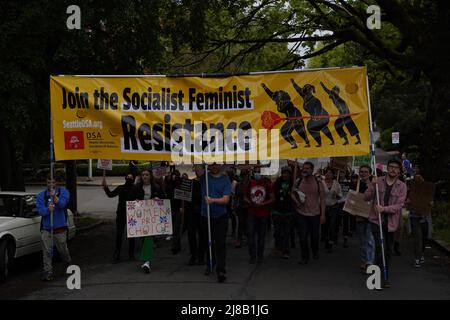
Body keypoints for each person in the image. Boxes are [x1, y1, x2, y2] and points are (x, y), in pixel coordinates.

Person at [364, 159, 407, 288]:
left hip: (391, 223)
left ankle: (385, 274)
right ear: (387, 168)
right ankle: (376, 279)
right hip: (376, 221)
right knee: (379, 249)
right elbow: (366, 197)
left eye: (396, 167)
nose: (393, 169)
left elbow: (399, 205)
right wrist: (371, 185)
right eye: (391, 167)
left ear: (399, 170)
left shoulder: (402, 186)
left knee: (388, 251)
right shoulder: (378, 181)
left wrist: (384, 209)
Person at [200, 163, 231, 283]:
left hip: (220, 217)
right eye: (211, 165)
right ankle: (210, 264)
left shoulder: (225, 180)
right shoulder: (204, 178)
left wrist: (212, 200)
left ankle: (221, 269)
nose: (214, 167)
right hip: (206, 216)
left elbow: (226, 199)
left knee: (220, 243)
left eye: (216, 165)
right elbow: (197, 167)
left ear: (220, 166)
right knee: (208, 242)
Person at [36, 175, 72, 281]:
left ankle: (67, 261)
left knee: (62, 250)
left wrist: (55, 198)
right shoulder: (41, 195)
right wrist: (48, 209)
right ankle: (48, 272)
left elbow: (62, 204)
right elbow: (40, 211)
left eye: (52, 182)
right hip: (46, 228)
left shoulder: (64, 192)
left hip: (60, 227)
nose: (50, 185)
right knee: (47, 251)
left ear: (56, 183)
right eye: (48, 182)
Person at [292, 162, 326, 264]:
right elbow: (292, 193)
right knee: (302, 237)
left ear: (312, 170)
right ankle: (304, 257)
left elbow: (323, 198)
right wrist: (297, 201)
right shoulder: (298, 181)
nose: (304, 170)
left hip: (315, 214)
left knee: (314, 236)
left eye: (307, 168)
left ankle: (315, 250)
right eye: (303, 168)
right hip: (301, 213)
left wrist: (323, 214)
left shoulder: (318, 182)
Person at [132, 169, 165, 274]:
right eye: (143, 175)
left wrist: (157, 198)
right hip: (140, 215)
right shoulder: (137, 187)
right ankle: (145, 260)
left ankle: (147, 262)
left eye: (147, 174)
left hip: (152, 216)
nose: (145, 176)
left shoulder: (156, 187)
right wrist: (135, 200)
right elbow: (130, 199)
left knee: (149, 237)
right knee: (142, 237)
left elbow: (164, 198)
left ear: (150, 176)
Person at [261, 83, 310, 148]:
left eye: (277, 98)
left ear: (282, 98)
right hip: (290, 118)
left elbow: (292, 112)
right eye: (276, 99)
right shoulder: (277, 99)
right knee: (283, 131)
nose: (276, 100)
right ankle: (293, 143)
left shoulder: (288, 103)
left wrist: (294, 119)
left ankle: (307, 142)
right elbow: (270, 94)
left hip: (295, 115)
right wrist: (265, 87)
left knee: (299, 129)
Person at [102, 173, 136, 263]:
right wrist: (105, 187)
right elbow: (110, 194)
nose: (129, 178)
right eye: (127, 177)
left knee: (132, 235)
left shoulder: (136, 188)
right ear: (125, 178)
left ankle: (131, 254)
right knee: (119, 233)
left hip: (132, 214)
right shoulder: (121, 188)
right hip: (121, 214)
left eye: (131, 177)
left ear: (133, 179)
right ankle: (116, 254)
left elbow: (141, 198)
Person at [291, 79, 335, 147]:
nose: (307, 93)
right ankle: (321, 142)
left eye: (309, 91)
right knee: (312, 127)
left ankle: (331, 140)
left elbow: (319, 109)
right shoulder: (305, 97)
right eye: (306, 92)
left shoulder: (315, 100)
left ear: (310, 91)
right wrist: (293, 83)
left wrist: (317, 117)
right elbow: (298, 89)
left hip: (322, 115)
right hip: (314, 117)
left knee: (317, 127)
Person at [244, 166, 275, 264]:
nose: (257, 174)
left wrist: (263, 204)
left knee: (261, 236)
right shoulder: (250, 183)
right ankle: (252, 256)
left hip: (263, 213)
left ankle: (260, 255)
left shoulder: (267, 184)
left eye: (259, 172)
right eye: (256, 172)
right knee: (250, 235)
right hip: (251, 213)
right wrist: (250, 202)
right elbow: (244, 196)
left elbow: (272, 198)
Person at [408, 166, 433, 268]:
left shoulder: (428, 190)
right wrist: (408, 202)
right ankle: (417, 258)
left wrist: (431, 204)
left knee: (424, 237)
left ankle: (421, 254)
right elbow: (406, 203)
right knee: (417, 238)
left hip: (425, 217)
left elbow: (431, 203)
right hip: (414, 216)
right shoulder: (410, 190)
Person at [353, 165, 375, 271]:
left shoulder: (374, 185)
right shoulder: (356, 185)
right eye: (361, 172)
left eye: (366, 172)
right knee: (362, 241)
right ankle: (363, 260)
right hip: (360, 216)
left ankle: (369, 262)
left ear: (370, 173)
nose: (363, 173)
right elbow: (351, 199)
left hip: (371, 217)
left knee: (370, 240)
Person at [185, 165, 205, 265]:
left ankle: (201, 256)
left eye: (200, 169)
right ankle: (193, 255)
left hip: (202, 212)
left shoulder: (206, 183)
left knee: (202, 235)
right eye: (197, 169)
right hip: (192, 212)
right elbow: (185, 197)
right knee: (191, 235)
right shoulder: (190, 182)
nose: (198, 171)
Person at [272, 166, 293, 258]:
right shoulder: (277, 183)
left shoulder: (293, 184)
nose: (285, 174)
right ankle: (278, 247)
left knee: (286, 233)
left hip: (288, 211)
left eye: (287, 173)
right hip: (277, 211)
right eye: (284, 173)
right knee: (277, 231)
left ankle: (286, 251)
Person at [321, 167, 342, 253]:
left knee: (332, 225)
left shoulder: (336, 184)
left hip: (334, 206)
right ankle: (325, 239)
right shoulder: (321, 183)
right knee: (324, 225)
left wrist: (336, 195)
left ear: (333, 174)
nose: (328, 174)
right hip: (324, 207)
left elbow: (340, 196)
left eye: (330, 173)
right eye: (327, 173)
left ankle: (330, 242)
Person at [165, 169, 183, 254]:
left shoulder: (179, 184)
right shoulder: (170, 185)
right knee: (175, 227)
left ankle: (175, 245)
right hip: (172, 207)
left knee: (176, 227)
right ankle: (177, 244)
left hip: (177, 208)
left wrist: (181, 206)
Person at [234, 169, 250, 248]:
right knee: (240, 223)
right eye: (243, 176)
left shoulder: (250, 184)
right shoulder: (238, 185)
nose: (245, 177)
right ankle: (239, 239)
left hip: (249, 207)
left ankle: (248, 237)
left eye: (246, 176)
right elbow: (236, 196)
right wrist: (234, 207)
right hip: (241, 206)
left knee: (248, 223)